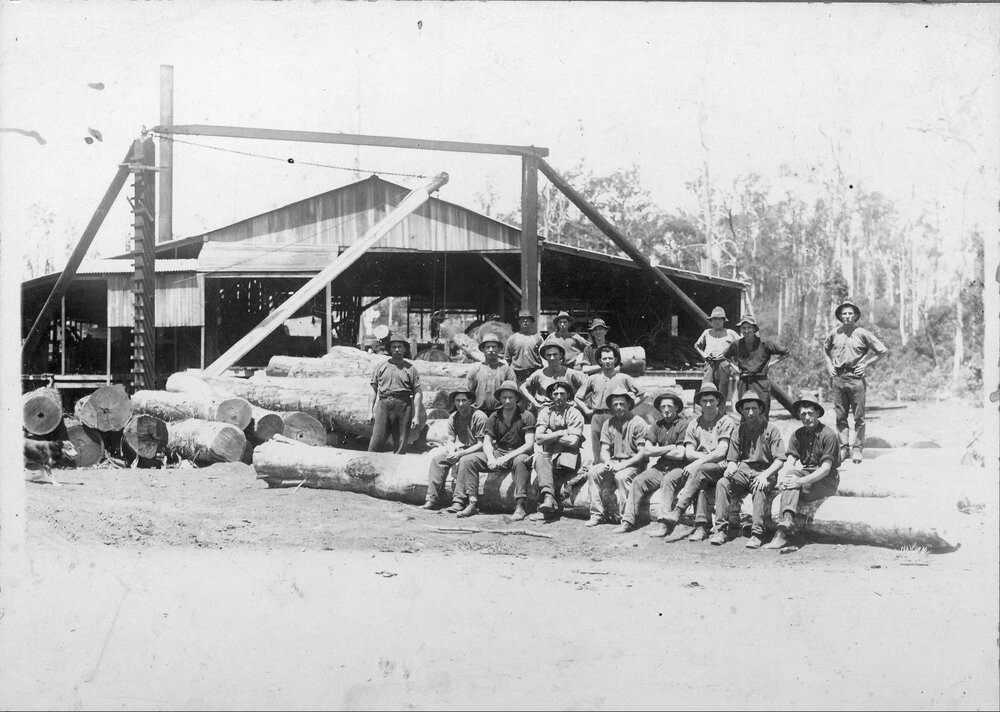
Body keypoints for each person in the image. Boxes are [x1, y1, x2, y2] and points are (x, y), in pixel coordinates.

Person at [655, 383, 736, 541]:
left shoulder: (726, 421)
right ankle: (667, 522)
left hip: (719, 467)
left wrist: (697, 464)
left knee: (700, 473)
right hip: (700, 468)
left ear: (718, 401)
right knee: (671, 478)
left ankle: (679, 511)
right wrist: (700, 462)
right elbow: (689, 453)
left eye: (711, 400)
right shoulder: (694, 424)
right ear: (699, 402)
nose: (707, 404)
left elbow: (722, 451)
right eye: (704, 400)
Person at [708, 391, 786, 548]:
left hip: (765, 470)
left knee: (759, 486)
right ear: (742, 411)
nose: (750, 412)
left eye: (754, 408)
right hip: (743, 471)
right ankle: (721, 529)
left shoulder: (771, 429)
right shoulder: (739, 430)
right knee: (723, 483)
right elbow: (732, 459)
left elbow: (780, 460)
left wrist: (765, 476)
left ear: (760, 410)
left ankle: (757, 533)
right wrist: (730, 467)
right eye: (747, 409)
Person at [765, 394, 841, 550]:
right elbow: (791, 461)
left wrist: (798, 482)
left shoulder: (829, 435)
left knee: (794, 482)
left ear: (818, 413)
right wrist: (786, 478)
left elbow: (825, 469)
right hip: (806, 476)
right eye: (803, 414)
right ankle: (786, 521)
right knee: (791, 476)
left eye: (810, 413)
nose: (807, 417)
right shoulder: (798, 435)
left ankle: (782, 534)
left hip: (826, 481)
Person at [459, 380, 536, 521]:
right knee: (467, 460)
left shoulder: (527, 416)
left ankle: (520, 506)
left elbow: (529, 445)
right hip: (499, 451)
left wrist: (506, 458)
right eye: (504, 397)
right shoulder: (494, 416)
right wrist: (490, 457)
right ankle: (472, 502)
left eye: (511, 397)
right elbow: (487, 440)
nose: (507, 401)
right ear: (499, 398)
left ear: (517, 398)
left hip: (519, 453)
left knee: (520, 462)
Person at [615, 391, 690, 535]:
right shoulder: (657, 425)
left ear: (676, 408)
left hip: (679, 468)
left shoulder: (683, 424)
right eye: (663, 407)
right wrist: (669, 448)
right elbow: (647, 451)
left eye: (669, 406)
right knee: (638, 481)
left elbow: (680, 454)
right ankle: (628, 521)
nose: (666, 410)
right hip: (661, 466)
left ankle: (665, 525)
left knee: (667, 481)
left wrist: (657, 450)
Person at [823, 300, 888, 464]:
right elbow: (825, 349)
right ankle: (844, 448)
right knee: (840, 416)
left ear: (855, 315)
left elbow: (882, 351)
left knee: (859, 417)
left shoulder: (862, 333)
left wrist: (865, 364)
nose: (847, 316)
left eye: (850, 313)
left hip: (856, 378)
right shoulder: (834, 333)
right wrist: (829, 364)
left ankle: (857, 449)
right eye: (844, 313)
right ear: (840, 316)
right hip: (838, 378)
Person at [584, 388, 649, 527]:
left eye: (622, 404)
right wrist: (607, 461)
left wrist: (623, 465)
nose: (618, 407)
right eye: (615, 404)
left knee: (621, 476)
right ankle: (597, 514)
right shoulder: (609, 423)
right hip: (615, 462)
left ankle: (625, 518)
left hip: (634, 465)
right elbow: (604, 449)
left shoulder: (638, 422)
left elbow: (641, 453)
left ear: (629, 405)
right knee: (593, 472)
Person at [421, 387, 487, 516]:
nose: (460, 404)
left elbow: (481, 444)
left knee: (464, 460)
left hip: (478, 450)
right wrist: (452, 451)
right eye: (458, 401)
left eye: (464, 400)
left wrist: (460, 454)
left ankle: (459, 501)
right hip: (461, 448)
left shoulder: (479, 417)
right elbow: (451, 439)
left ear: (470, 401)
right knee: (437, 459)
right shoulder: (453, 417)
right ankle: (431, 498)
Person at [574, 345, 645, 463]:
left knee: (617, 448)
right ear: (600, 361)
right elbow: (578, 397)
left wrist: (629, 407)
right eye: (605, 359)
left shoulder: (623, 378)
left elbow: (643, 394)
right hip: (597, 417)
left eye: (610, 358)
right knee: (598, 450)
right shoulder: (594, 378)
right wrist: (587, 410)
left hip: (616, 417)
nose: (608, 361)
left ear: (616, 360)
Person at [529, 379, 585, 521]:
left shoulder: (574, 413)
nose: (559, 397)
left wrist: (549, 434)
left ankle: (548, 503)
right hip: (549, 455)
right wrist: (560, 433)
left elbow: (573, 442)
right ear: (551, 396)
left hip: (568, 457)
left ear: (568, 396)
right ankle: (548, 498)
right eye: (555, 394)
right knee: (541, 458)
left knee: (546, 471)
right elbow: (539, 439)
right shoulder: (545, 412)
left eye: (562, 393)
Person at [723, 315, 789, 418]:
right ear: (740, 329)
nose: (746, 330)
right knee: (745, 413)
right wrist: (735, 367)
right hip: (744, 382)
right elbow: (726, 356)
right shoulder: (736, 344)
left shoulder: (765, 344)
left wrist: (771, 364)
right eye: (743, 328)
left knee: (762, 412)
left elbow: (786, 353)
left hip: (760, 382)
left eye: (749, 328)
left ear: (754, 329)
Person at [368, 333, 423, 454]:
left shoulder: (411, 369)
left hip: (403, 406)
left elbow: (418, 393)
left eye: (399, 347)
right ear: (390, 349)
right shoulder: (380, 367)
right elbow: (373, 389)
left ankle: (398, 470)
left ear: (404, 349)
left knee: (401, 443)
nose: (397, 349)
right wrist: (369, 412)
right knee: (376, 441)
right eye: (394, 347)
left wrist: (416, 416)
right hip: (383, 404)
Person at [519, 337, 586, 410]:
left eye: (555, 354)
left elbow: (587, 387)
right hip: (545, 411)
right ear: (545, 356)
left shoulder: (570, 373)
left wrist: (577, 404)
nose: (552, 358)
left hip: (566, 412)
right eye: (549, 355)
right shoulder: (539, 374)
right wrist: (535, 403)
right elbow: (522, 388)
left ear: (560, 355)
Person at [694, 307, 739, 410]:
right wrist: (704, 355)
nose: (717, 322)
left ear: (724, 320)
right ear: (711, 320)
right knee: (706, 390)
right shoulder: (707, 332)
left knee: (721, 392)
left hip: (723, 364)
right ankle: (705, 416)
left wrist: (734, 360)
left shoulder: (730, 333)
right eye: (715, 319)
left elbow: (742, 345)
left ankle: (721, 417)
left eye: (720, 319)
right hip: (709, 364)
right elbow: (696, 346)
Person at [466, 333, 517, 414]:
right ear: (483, 349)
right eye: (487, 347)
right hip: (479, 412)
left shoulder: (506, 370)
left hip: (500, 412)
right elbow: (469, 391)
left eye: (493, 347)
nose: (490, 349)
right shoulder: (475, 369)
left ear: (499, 349)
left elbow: (512, 392)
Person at [504, 309, 544, 385]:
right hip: (518, 374)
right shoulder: (512, 338)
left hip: (535, 372)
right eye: (522, 319)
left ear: (531, 321)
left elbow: (543, 356)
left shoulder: (538, 338)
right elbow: (507, 357)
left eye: (528, 319)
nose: (525, 321)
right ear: (519, 322)